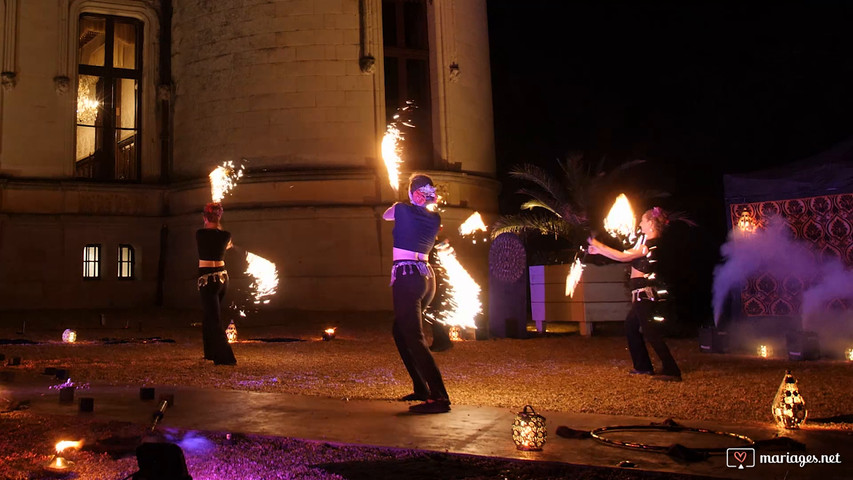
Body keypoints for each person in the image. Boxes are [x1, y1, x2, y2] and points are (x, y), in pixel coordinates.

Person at [587, 207, 682, 382]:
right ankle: (643, 366)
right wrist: (600, 251)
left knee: (650, 332)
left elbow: (623, 256)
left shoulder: (650, 245)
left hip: (644, 295)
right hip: (640, 293)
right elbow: (623, 255)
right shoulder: (645, 243)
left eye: (643, 220)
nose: (640, 223)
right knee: (631, 326)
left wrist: (600, 245)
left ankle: (671, 369)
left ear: (652, 223)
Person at [383, 174, 451, 413]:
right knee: (400, 331)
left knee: (414, 336)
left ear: (413, 193)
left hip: (407, 276)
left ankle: (439, 397)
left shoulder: (401, 209)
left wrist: (406, 201)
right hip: (427, 277)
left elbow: (386, 215)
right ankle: (421, 388)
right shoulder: (435, 217)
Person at [196, 202, 237, 366]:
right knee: (209, 316)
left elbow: (209, 234)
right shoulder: (226, 235)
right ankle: (211, 352)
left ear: (205, 217)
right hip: (222, 279)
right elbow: (222, 240)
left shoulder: (200, 234)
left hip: (207, 280)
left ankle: (226, 357)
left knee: (213, 318)